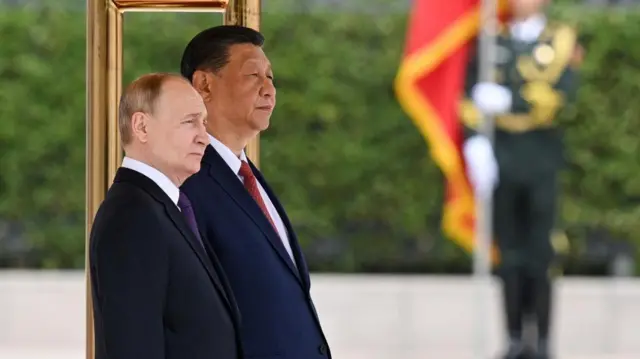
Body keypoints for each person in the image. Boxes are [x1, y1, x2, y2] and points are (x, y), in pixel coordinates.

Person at [179, 25, 332, 359]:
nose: (269, 90)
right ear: (204, 84)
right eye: (253, 75)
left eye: (271, 77)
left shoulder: (248, 177)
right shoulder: (184, 183)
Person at [458, 0, 583, 358]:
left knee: (540, 252)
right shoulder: (489, 40)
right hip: (502, 156)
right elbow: (468, 95)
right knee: (508, 252)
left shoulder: (560, 39)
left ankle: (541, 340)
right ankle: (513, 338)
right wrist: (475, 141)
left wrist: (510, 101)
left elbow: (560, 95)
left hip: (540, 156)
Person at [89, 73, 242, 359]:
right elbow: (132, 346)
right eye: (189, 122)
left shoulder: (164, 209)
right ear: (142, 127)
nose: (204, 137)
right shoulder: (133, 217)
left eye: (204, 122)